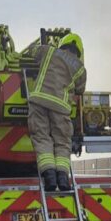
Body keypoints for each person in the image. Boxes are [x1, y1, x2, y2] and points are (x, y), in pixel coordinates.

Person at [27, 32, 87, 192]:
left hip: (39, 101)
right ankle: (63, 179)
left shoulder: (49, 51)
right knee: (62, 142)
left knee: (41, 137)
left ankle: (49, 177)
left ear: (62, 45)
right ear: (79, 51)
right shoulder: (81, 68)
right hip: (61, 107)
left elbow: (31, 52)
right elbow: (80, 90)